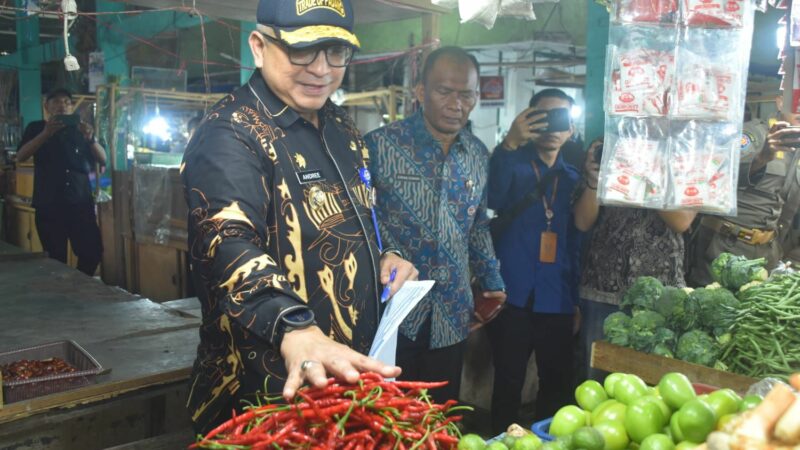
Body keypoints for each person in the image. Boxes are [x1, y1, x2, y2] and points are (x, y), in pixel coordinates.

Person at [181, 0, 417, 435]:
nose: (321, 69)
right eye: (301, 51)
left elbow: (363, 211)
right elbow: (226, 242)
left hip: (340, 385)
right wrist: (293, 327)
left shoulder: (340, 126)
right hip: (264, 392)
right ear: (259, 45)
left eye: (335, 51)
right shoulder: (230, 132)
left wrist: (387, 253)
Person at [363, 46, 506, 403]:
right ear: (421, 92)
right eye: (445, 92)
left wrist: (491, 281)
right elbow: (358, 222)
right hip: (393, 311)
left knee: (440, 418)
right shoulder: (378, 147)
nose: (457, 103)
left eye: (467, 94)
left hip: (451, 312)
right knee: (388, 418)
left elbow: (478, 225)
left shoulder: (476, 153)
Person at [486, 89, 582, 433]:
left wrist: (574, 300)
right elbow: (492, 196)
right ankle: (500, 439)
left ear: (571, 128)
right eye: (545, 117)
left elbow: (575, 242)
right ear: (529, 119)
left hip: (556, 297)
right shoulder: (511, 163)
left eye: (563, 119)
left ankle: (547, 440)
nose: (554, 127)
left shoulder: (573, 177)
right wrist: (509, 143)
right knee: (508, 383)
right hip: (513, 294)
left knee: (555, 384)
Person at [575, 139, 697, 380]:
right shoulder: (610, 145)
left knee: (653, 382)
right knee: (597, 379)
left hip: (660, 294)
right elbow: (582, 222)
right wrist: (593, 181)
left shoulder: (684, 154)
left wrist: (643, 172)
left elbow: (682, 220)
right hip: (603, 291)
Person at [687, 97, 800, 286]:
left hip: (766, 254)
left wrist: (779, 249)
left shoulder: (796, 148)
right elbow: (714, 178)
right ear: (780, 102)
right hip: (724, 246)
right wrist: (760, 159)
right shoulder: (751, 134)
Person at [16, 88, 106, 276]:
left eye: (66, 102)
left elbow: (103, 159)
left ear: (72, 107)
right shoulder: (36, 127)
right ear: (47, 107)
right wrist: (45, 134)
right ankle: (62, 298)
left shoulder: (82, 129)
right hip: (49, 204)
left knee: (92, 252)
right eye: (56, 102)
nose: (62, 105)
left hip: (80, 203)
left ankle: (77, 286)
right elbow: (21, 156)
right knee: (56, 259)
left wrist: (90, 139)